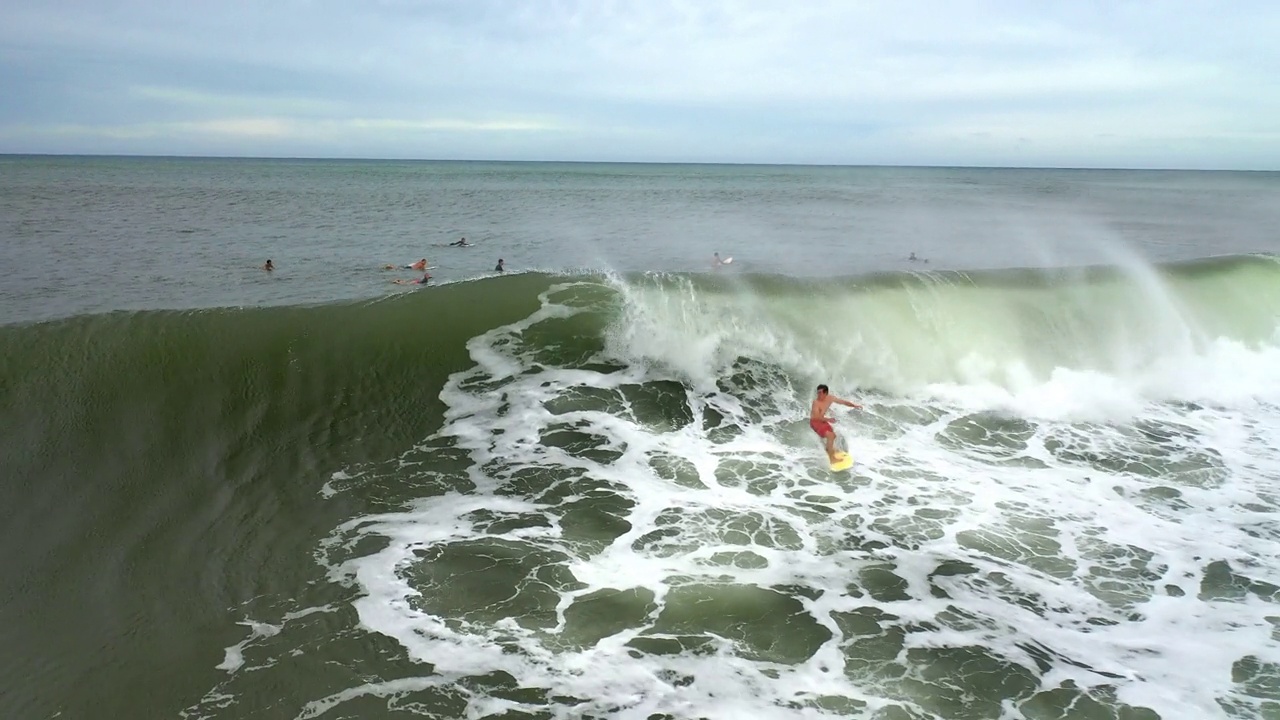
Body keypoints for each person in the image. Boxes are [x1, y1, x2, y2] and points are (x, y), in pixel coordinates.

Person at [809, 384, 862, 463]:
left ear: (826, 393)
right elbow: (816, 417)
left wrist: (854, 406)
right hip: (815, 422)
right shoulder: (816, 403)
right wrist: (828, 419)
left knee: (833, 435)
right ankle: (832, 459)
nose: (818, 395)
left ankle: (828, 449)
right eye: (818, 393)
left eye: (820, 393)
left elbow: (843, 402)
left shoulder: (830, 398)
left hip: (822, 421)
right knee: (830, 435)